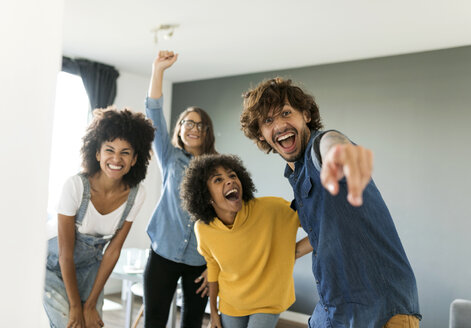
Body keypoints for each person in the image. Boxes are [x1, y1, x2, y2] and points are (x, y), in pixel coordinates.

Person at [240, 77, 421, 328]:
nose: (280, 124)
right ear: (261, 133)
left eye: (285, 113)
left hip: (381, 309)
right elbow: (322, 234)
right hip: (336, 307)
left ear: (305, 115)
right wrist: (286, 254)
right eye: (268, 120)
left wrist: (339, 154)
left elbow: (332, 144)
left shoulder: (319, 147)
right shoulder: (295, 174)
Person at [43, 107, 155, 328]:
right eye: (109, 150)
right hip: (52, 265)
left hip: (89, 269)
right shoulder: (75, 186)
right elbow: (65, 254)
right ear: (97, 153)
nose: (116, 158)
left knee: (92, 323)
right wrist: (76, 306)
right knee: (67, 323)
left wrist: (90, 303)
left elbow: (112, 251)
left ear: (134, 159)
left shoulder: (136, 194)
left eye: (125, 152)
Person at [180, 154, 313, 328]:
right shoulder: (203, 229)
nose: (229, 181)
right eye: (218, 180)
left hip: (268, 299)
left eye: (232, 175)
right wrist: (213, 311)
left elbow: (319, 227)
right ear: (206, 196)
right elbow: (213, 267)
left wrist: (291, 253)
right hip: (231, 303)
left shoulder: (272, 209)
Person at [143, 50, 218, 328]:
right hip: (163, 252)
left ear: (208, 131)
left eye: (200, 124)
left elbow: (223, 218)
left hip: (200, 261)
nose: (194, 128)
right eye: (189, 122)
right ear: (180, 127)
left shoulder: (217, 167)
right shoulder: (169, 155)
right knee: (155, 322)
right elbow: (153, 113)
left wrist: (215, 265)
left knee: (192, 323)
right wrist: (158, 71)